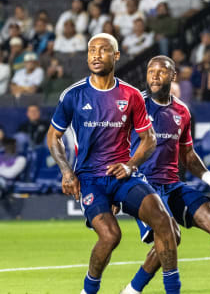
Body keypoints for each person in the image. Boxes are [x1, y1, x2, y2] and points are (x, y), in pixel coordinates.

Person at [46, 33, 181, 294]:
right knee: (110, 236)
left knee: (165, 223)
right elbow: (54, 136)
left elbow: (148, 140)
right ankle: (89, 290)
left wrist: (131, 165)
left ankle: (172, 290)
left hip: (124, 177)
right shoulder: (73, 95)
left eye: (103, 50)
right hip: (90, 179)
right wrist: (65, 172)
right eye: (91, 50)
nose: (96, 55)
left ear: (116, 56)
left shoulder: (131, 95)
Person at [118, 56, 210, 294]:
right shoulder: (134, 103)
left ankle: (131, 290)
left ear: (173, 76)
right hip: (142, 187)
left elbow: (188, 154)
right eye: (151, 71)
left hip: (172, 185)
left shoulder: (182, 110)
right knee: (170, 234)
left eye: (161, 71)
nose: (155, 76)